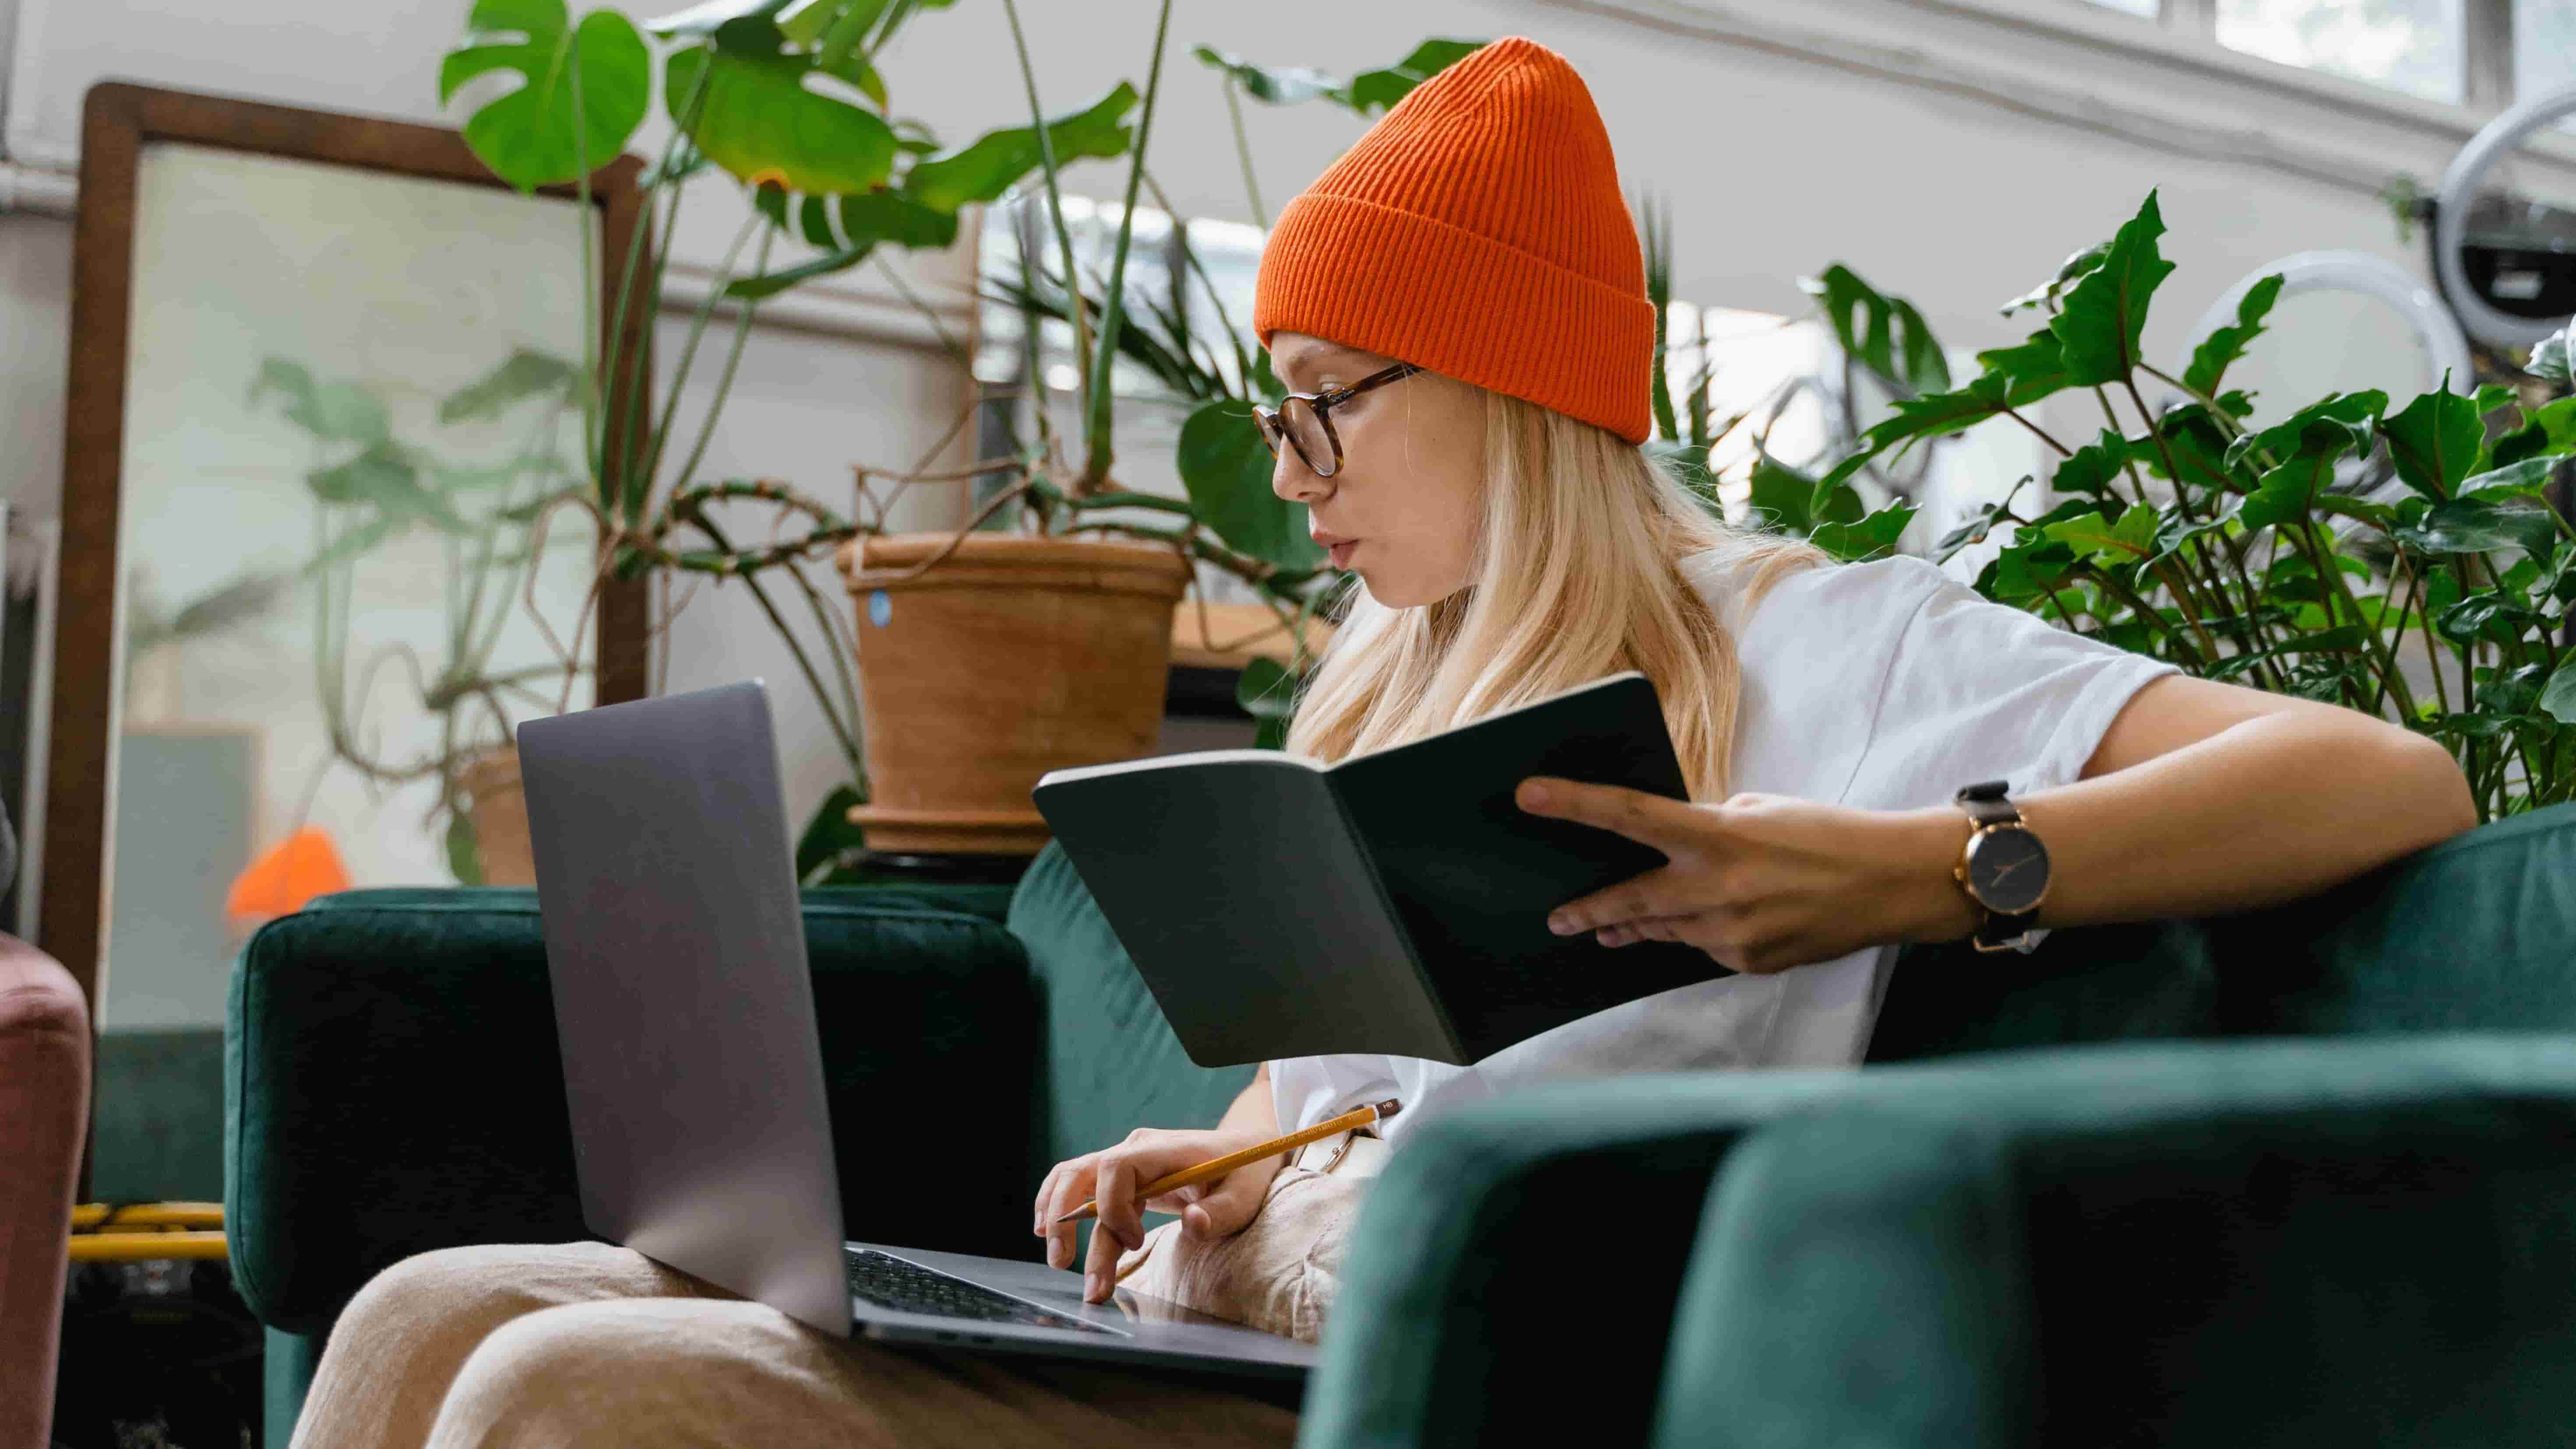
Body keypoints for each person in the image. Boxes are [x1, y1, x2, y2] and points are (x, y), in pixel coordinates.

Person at [289, 35, 2476, 1448]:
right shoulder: (1386, 680)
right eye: (1282, 403)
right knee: (421, 1306)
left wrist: (1915, 870)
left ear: (1512, 393)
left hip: (1468, 1375)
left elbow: (2396, 775)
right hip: (1242, 1324)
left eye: (1335, 394)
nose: (1295, 461)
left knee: (562, 1388)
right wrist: (1218, 1153)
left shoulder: (1838, 643)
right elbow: (1348, 1084)